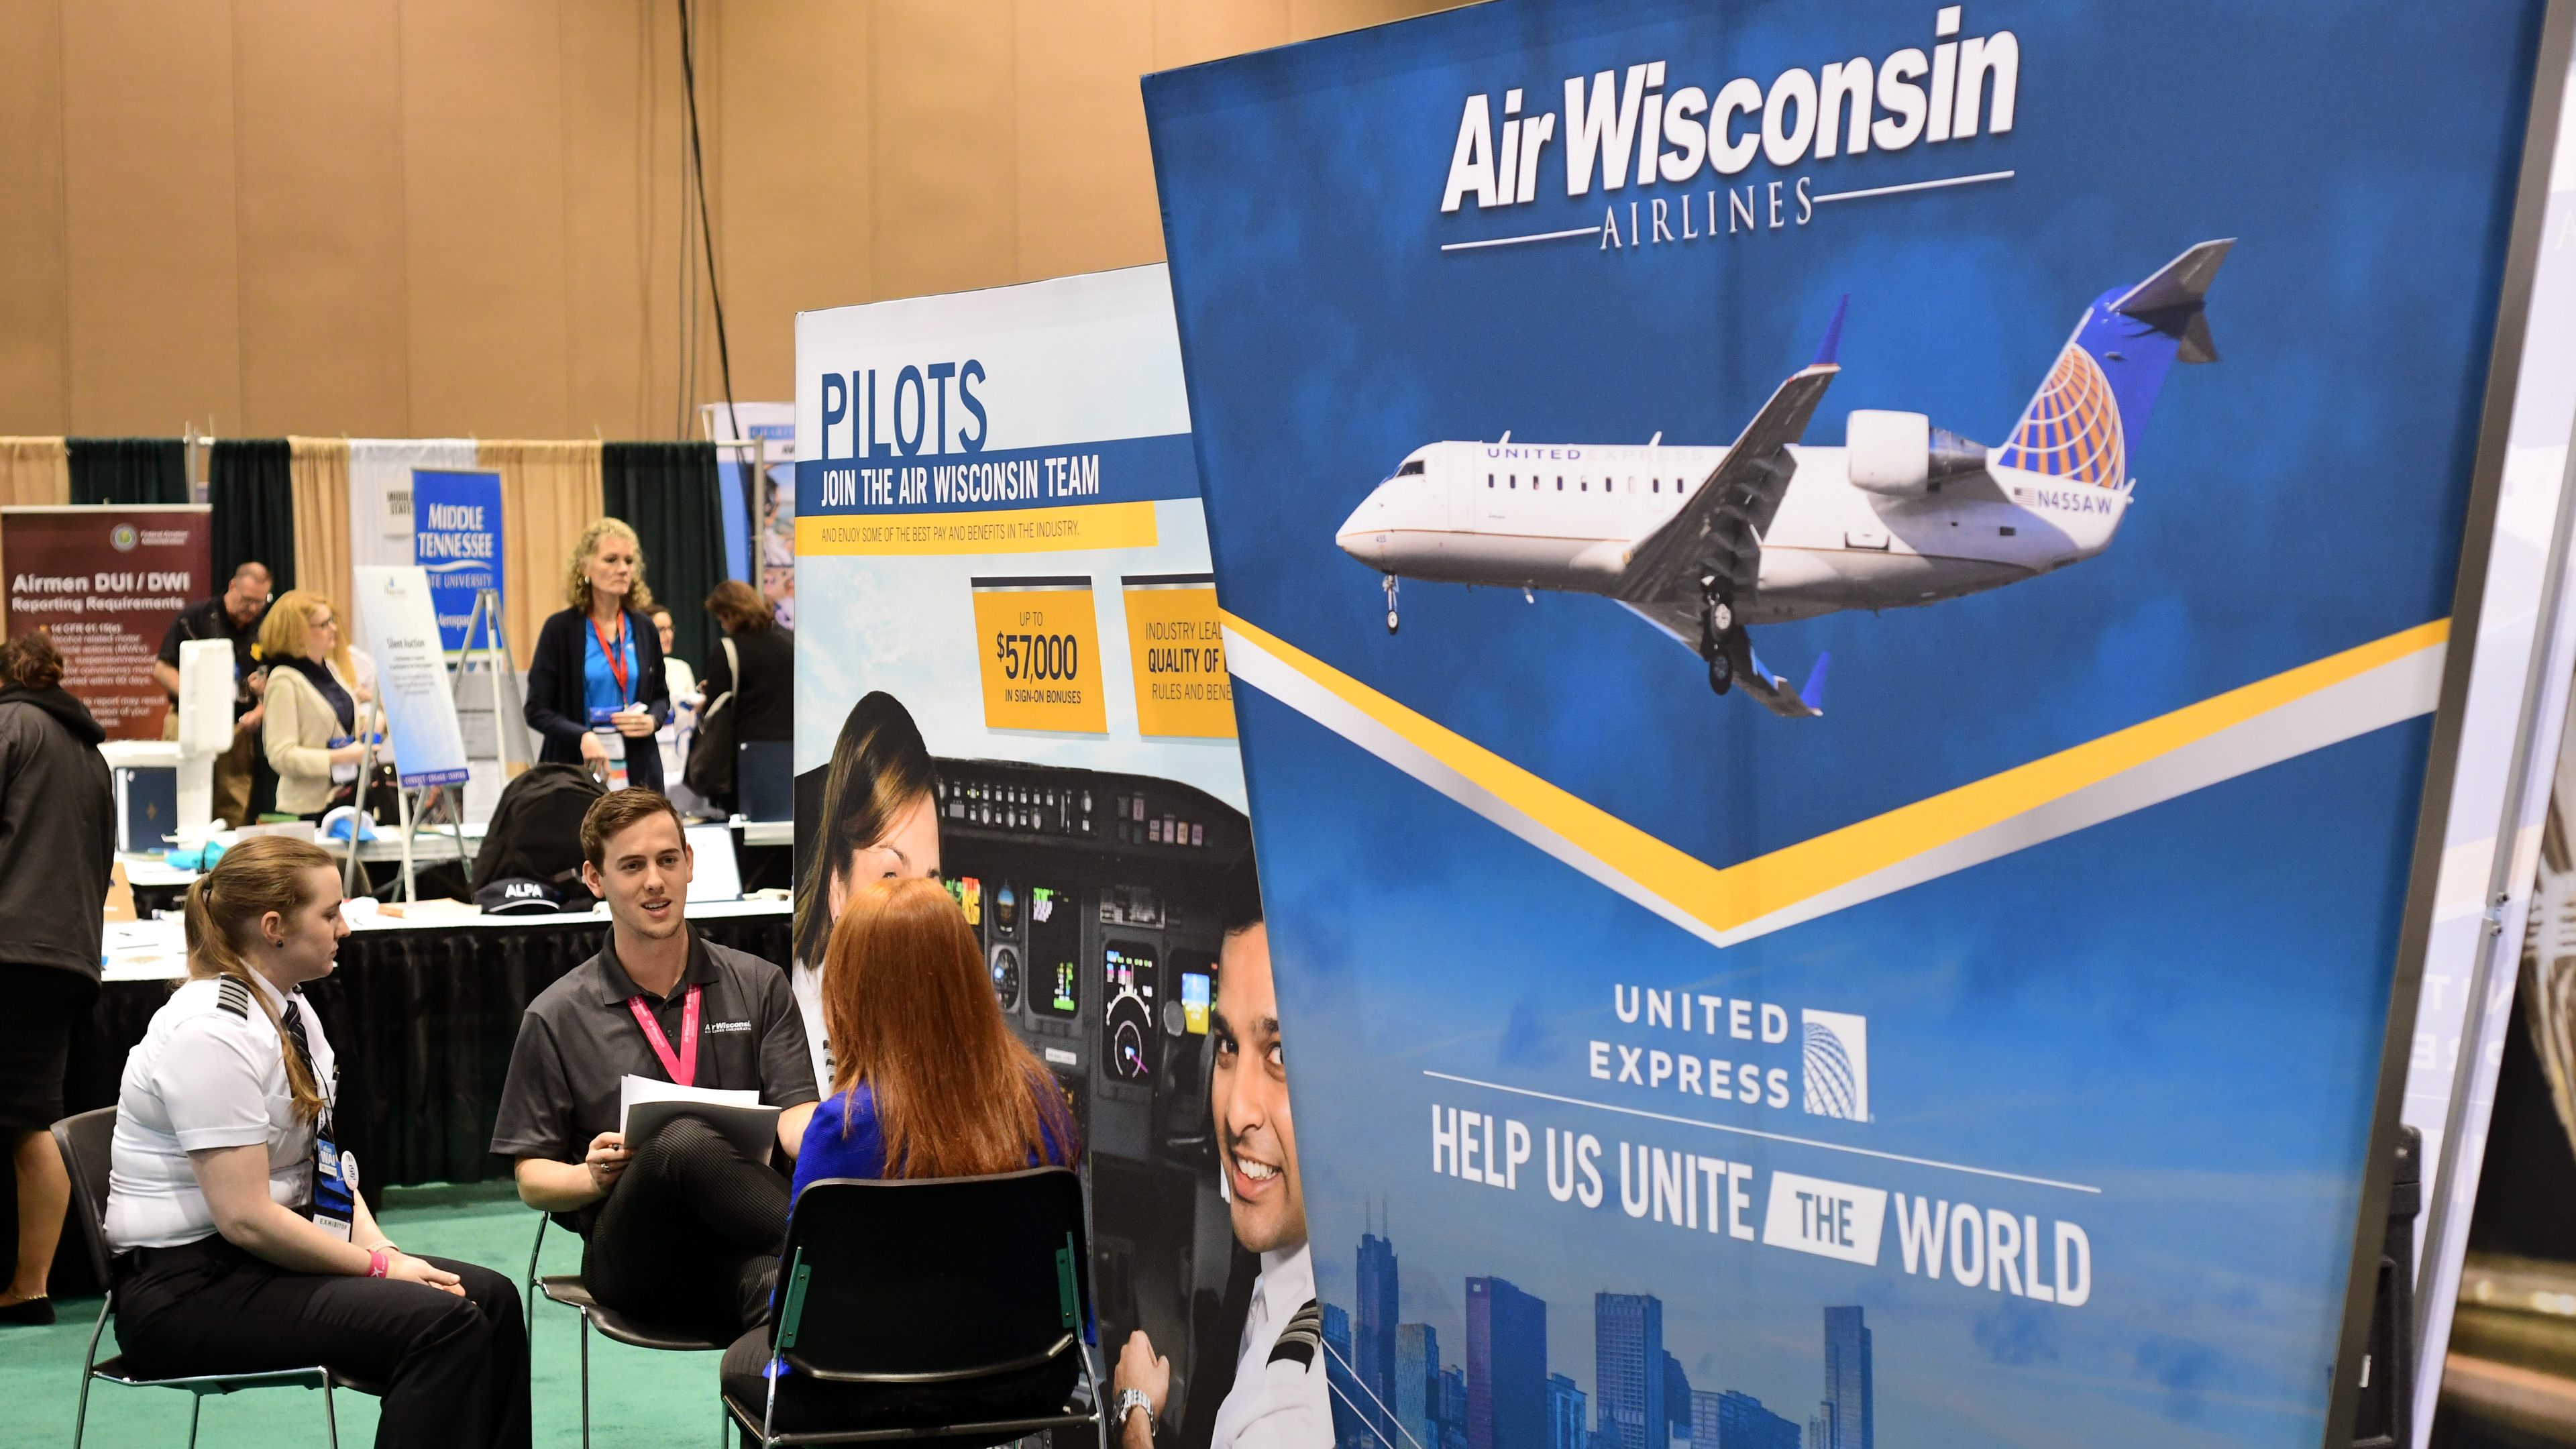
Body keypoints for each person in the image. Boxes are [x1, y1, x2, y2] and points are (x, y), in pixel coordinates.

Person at [103, 837, 529, 1447]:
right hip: (184, 1294)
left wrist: (385, 1251)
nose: (346, 929)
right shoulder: (208, 1032)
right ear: (274, 927)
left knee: (490, 1299)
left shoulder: (293, 1010)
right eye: (330, 914)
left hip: (261, 1267)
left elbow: (325, 1166)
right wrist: (381, 1269)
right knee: (443, 1327)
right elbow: (246, 1220)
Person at [716, 877, 1082, 1432]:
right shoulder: (1042, 1102)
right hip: (1028, 1378)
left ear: (852, 993)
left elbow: (800, 1304)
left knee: (745, 1349)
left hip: (850, 1391)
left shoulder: (840, 1130)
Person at [491, 789, 819, 1338]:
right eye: (632, 866)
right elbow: (531, 1179)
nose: (654, 881)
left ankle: (775, 1419)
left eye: (668, 860)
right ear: (595, 879)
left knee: (788, 1294)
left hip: (743, 1245)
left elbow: (796, 1115)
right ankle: (841, 1247)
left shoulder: (760, 984)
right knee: (681, 1140)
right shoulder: (555, 1015)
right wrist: (589, 1176)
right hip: (637, 1262)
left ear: (690, 863)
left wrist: (850, 1137)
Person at [1113, 859, 1328, 1449]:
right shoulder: (1296, 1273)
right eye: (1230, 1045)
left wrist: (1136, 1413)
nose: (1236, 1111)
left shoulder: (1287, 1419)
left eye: (1281, 1053)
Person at [0, 630, 113, 1326]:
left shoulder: (7, 725)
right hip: (67, 956)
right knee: (30, 1121)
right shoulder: (90, 753)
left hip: (7, 945)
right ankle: (29, 1286)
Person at [789, 692, 941, 1087]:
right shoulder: (789, 1029)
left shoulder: (949, 1009)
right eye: (891, 878)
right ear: (837, 888)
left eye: (931, 882)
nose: (918, 910)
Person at [525, 518, 674, 795]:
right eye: (611, 560)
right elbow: (536, 710)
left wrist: (652, 719)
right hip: (576, 771)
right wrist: (582, 735)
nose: (622, 569)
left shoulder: (644, 628)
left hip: (638, 772)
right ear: (585, 567)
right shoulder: (560, 629)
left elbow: (660, 696)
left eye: (629, 561)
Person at [154, 561, 271, 826]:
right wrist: (198, 698)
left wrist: (261, 709)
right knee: (179, 795)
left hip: (237, 729)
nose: (252, 608)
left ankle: (229, 863)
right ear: (232, 586)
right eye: (247, 600)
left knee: (233, 804)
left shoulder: (264, 628)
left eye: (260, 602)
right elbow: (162, 669)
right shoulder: (196, 617)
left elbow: (275, 678)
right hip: (189, 720)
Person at [259, 590, 369, 822]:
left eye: (332, 621)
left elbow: (344, 725)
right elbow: (281, 755)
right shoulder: (284, 680)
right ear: (297, 633)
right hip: (307, 810)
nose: (334, 629)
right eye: (324, 624)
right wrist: (340, 757)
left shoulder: (331, 670)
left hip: (345, 798)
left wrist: (373, 721)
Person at [697, 579, 794, 816]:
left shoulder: (728, 649)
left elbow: (716, 708)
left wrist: (705, 699)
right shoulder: (790, 643)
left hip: (747, 763)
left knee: (746, 840)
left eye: (721, 618)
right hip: (791, 758)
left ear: (729, 614)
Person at [650, 605, 698, 704]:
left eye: (670, 628)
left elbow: (692, 713)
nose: (669, 635)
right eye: (661, 629)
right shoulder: (637, 671)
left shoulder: (682, 668)